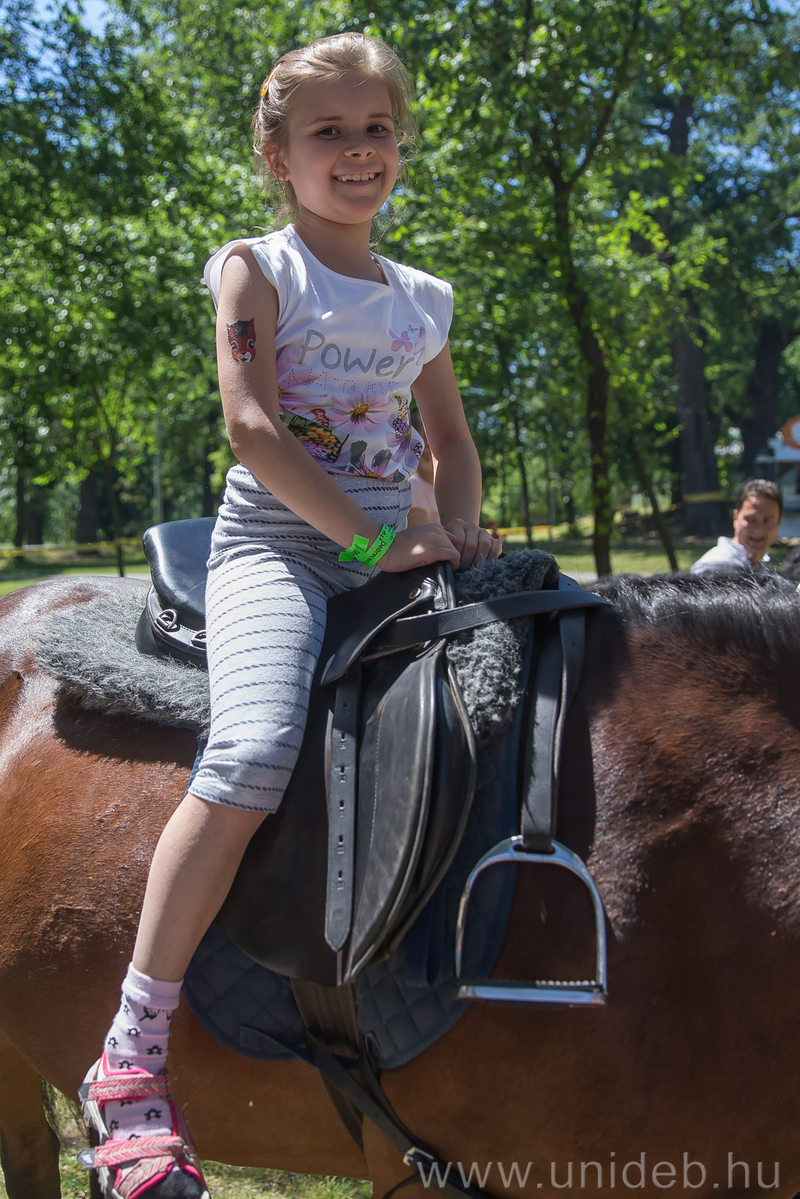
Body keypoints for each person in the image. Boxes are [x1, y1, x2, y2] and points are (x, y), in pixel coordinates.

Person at [79, 32, 502, 1199]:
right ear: (277, 156)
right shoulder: (256, 270)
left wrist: (459, 524)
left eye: (377, 128)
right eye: (329, 132)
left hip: (397, 547)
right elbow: (253, 427)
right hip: (280, 550)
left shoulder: (421, 298)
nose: (359, 150)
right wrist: (370, 540)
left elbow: (450, 440)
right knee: (256, 750)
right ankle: (131, 1048)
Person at [689, 479, 781, 576]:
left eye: (767, 521)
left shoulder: (760, 567)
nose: (758, 529)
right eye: (750, 520)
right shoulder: (713, 568)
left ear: (779, 521)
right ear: (736, 518)